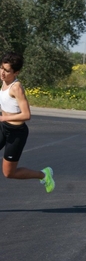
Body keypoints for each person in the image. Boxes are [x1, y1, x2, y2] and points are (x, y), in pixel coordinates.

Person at [0, 52, 55, 192]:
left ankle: (43, 174)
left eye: (7, 71)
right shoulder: (4, 82)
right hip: (2, 127)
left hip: (16, 133)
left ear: (16, 72)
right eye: (1, 68)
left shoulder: (16, 87)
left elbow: (26, 115)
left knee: (9, 173)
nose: (2, 73)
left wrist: (4, 117)